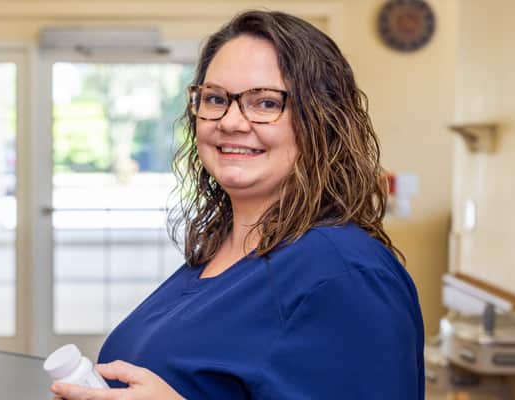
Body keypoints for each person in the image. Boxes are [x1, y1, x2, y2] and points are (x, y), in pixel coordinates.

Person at [49, 10, 423, 400]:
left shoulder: (344, 273)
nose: (230, 121)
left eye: (264, 103)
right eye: (215, 99)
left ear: (323, 120)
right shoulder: (219, 254)